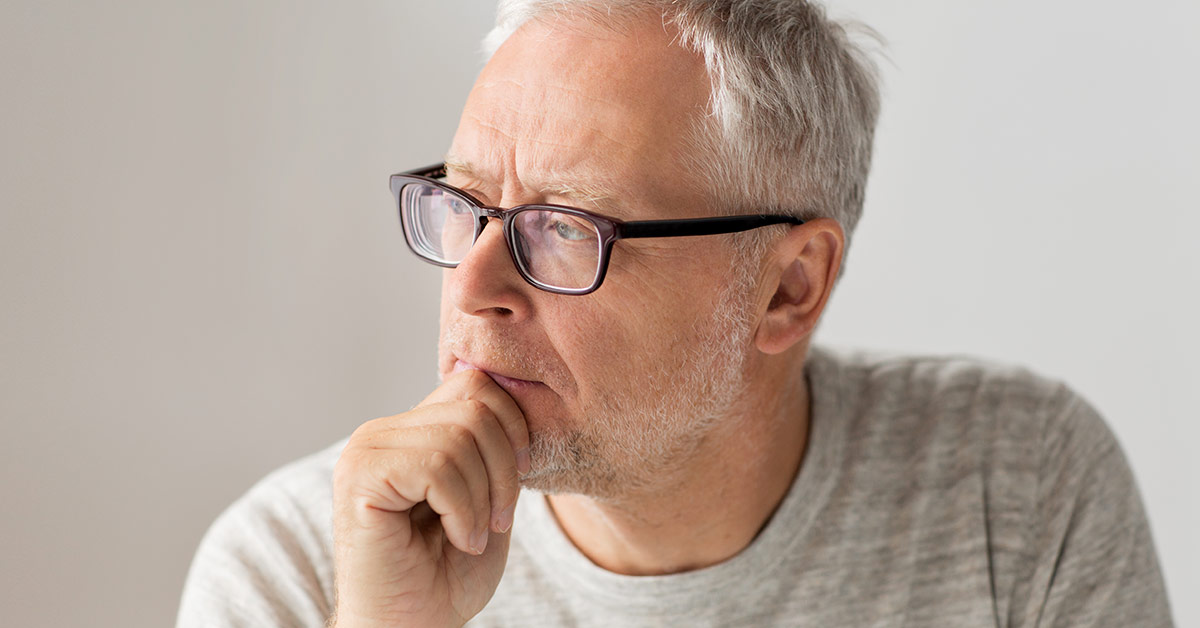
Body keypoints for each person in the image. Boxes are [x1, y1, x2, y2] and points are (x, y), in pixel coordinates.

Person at [177, 1, 1173, 626]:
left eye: (563, 227)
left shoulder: (1018, 490)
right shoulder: (306, 568)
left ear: (787, 287)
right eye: (467, 205)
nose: (473, 286)